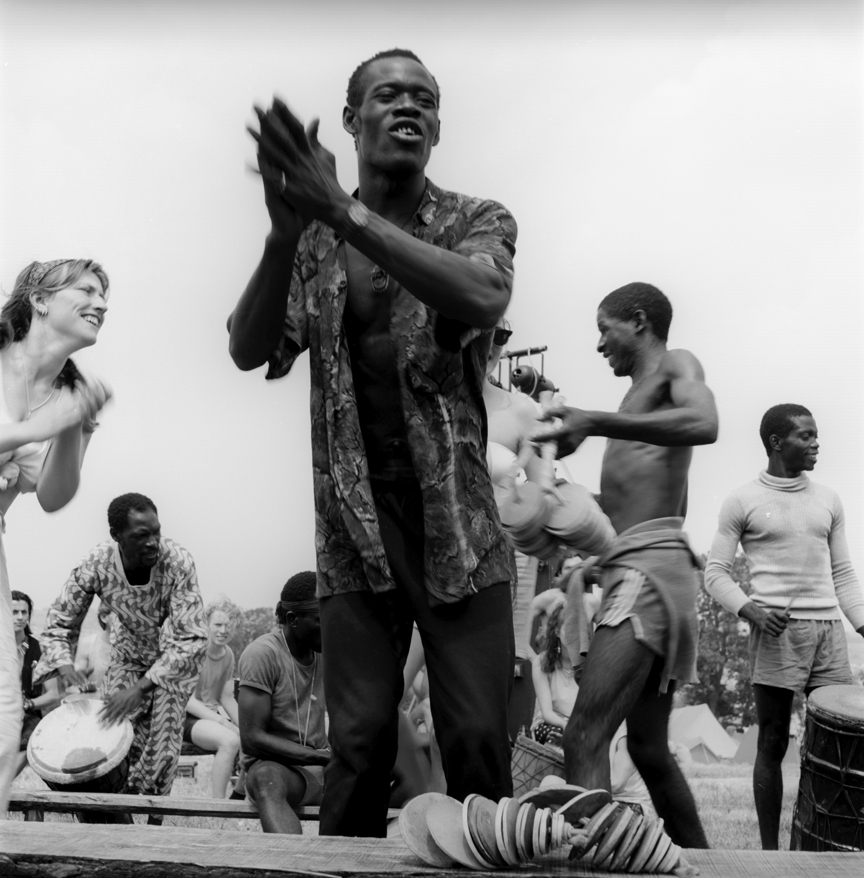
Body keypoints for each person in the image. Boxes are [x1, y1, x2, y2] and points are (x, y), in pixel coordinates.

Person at [228, 49, 517, 836]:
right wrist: (286, 234)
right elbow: (250, 349)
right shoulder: (316, 245)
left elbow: (485, 292)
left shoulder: (476, 220)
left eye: (424, 99)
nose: (409, 109)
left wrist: (345, 212)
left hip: (461, 532)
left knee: (478, 746)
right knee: (357, 747)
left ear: (437, 127)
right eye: (388, 96)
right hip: (356, 540)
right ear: (352, 120)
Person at [538, 281, 717, 848]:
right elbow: (635, 503)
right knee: (645, 746)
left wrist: (593, 420)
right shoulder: (633, 398)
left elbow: (704, 423)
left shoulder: (676, 365)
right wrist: (567, 516)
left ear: (638, 320)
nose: (598, 346)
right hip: (638, 565)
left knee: (585, 733)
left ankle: (592, 865)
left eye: (603, 330)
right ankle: (705, 866)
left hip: (649, 573)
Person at [704, 403, 864, 850]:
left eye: (816, 436)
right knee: (773, 742)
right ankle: (770, 854)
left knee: (838, 743)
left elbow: (845, 574)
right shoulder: (743, 500)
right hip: (775, 633)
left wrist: (862, 624)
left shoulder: (828, 499)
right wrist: (751, 611)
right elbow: (714, 573)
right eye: (806, 436)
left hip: (829, 633)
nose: (816, 444)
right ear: (777, 442)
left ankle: (828, 843)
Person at [0, 258, 111, 815]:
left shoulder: (69, 393)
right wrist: (37, 427)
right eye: (87, 290)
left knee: (2, 722)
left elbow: (49, 495)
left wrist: (74, 432)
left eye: (104, 295)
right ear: (40, 299)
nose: (102, 302)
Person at [33, 493, 207, 806]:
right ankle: (114, 815)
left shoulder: (178, 562)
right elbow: (59, 622)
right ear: (117, 536)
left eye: (157, 532)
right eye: (142, 536)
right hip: (128, 655)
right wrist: (64, 667)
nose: (154, 542)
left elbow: (190, 638)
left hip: (171, 663)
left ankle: (154, 824)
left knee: (162, 750)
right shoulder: (97, 564)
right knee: (115, 736)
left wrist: (142, 687)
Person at [483, 319, 546, 738]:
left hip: (506, 565)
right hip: (432, 559)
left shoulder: (523, 410)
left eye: (501, 335)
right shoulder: (427, 403)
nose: (492, 343)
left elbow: (543, 493)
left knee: (491, 690)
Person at [237, 571, 328, 834]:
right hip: (280, 771)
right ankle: (293, 866)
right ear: (292, 619)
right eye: (320, 620)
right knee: (267, 779)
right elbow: (252, 738)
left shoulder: (327, 651)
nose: (330, 627)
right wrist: (320, 757)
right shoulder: (263, 654)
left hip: (323, 769)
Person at [183, 601, 241, 798]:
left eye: (228, 626)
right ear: (206, 625)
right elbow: (187, 700)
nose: (223, 630)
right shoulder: (194, 651)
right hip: (186, 716)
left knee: (252, 738)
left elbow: (227, 697)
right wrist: (223, 722)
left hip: (210, 716)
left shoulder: (228, 654)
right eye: (217, 625)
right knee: (230, 740)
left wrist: (249, 726)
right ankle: (218, 805)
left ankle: (240, 794)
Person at [12, 590, 61, 778]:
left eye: (24, 612)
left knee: (32, 736)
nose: (20, 617)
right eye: (14, 612)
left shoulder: (39, 650)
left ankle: (3, 786)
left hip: (28, 714)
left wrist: (27, 704)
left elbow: (53, 694)